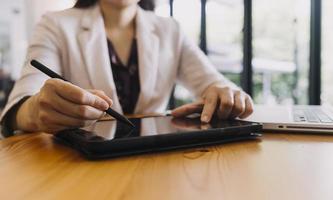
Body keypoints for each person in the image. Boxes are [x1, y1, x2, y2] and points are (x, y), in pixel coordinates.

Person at [0, 0, 253, 137]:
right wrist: (35, 110)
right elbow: (20, 105)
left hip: (155, 160)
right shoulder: (55, 24)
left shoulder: (170, 29)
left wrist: (225, 96)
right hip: (78, 164)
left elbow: (215, 83)